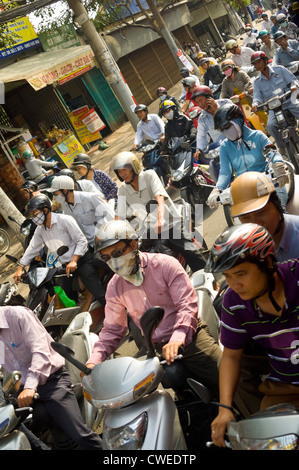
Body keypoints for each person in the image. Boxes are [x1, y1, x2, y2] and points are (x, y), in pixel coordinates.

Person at [85, 219, 222, 399]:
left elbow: (186, 305)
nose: (114, 261)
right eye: (107, 257)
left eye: (118, 252)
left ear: (133, 244)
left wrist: (177, 338)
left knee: (226, 374)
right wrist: (94, 360)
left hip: (190, 336)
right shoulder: (114, 287)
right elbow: (113, 329)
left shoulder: (165, 264)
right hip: (156, 349)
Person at [205, 223, 299, 447]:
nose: (234, 284)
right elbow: (231, 356)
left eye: (241, 273)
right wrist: (225, 408)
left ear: (267, 262)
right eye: (227, 276)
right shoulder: (233, 303)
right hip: (285, 390)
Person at [0, 304, 102, 450]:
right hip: (22, 390)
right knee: (8, 429)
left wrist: (30, 386)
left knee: (81, 435)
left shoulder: (18, 316)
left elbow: (40, 351)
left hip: (51, 380)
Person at [110, 152, 207, 273]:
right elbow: (119, 215)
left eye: (125, 170)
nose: (122, 174)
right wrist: (113, 235)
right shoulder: (123, 189)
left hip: (169, 221)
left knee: (187, 249)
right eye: (119, 172)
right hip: (148, 230)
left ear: (134, 167)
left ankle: (207, 276)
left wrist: (161, 219)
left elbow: (159, 198)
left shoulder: (149, 175)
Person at [13, 194, 107, 309]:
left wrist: (74, 260)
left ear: (46, 210)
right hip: (66, 267)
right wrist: (20, 268)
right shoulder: (40, 230)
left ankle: (116, 315)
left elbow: (81, 241)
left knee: (97, 290)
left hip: (82, 260)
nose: (33, 217)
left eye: (35, 214)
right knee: (65, 298)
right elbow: (32, 249)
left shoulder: (64, 220)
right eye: (31, 215)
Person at [207, 103, 288, 209]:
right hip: (244, 190)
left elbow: (272, 153)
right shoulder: (225, 147)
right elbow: (225, 173)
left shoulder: (258, 136)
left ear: (238, 120)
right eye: (222, 129)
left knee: (279, 211)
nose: (226, 131)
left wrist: (278, 164)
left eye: (227, 126)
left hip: (268, 182)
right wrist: (217, 189)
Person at [229, 170, 299, 262]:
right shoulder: (246, 250)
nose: (256, 224)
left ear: (277, 204)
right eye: (245, 217)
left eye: (260, 213)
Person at [251, 50, 299, 153]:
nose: (257, 65)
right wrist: (255, 104)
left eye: (258, 62)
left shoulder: (280, 69)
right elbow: (256, 96)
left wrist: (294, 87)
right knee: (270, 126)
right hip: (274, 108)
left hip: (289, 101)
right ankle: (282, 146)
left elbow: (293, 80)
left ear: (265, 60)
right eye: (254, 63)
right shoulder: (257, 82)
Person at [47, 175, 115, 248]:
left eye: (55, 194)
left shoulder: (90, 198)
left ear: (65, 190)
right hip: (90, 245)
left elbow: (111, 216)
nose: (55, 197)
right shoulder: (65, 206)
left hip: (106, 240)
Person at [191, 86, 231, 162]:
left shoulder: (226, 103)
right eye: (197, 102)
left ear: (209, 97)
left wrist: (217, 110)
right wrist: (199, 149)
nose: (200, 104)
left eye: (201, 100)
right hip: (222, 150)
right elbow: (201, 136)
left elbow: (234, 122)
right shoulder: (202, 118)